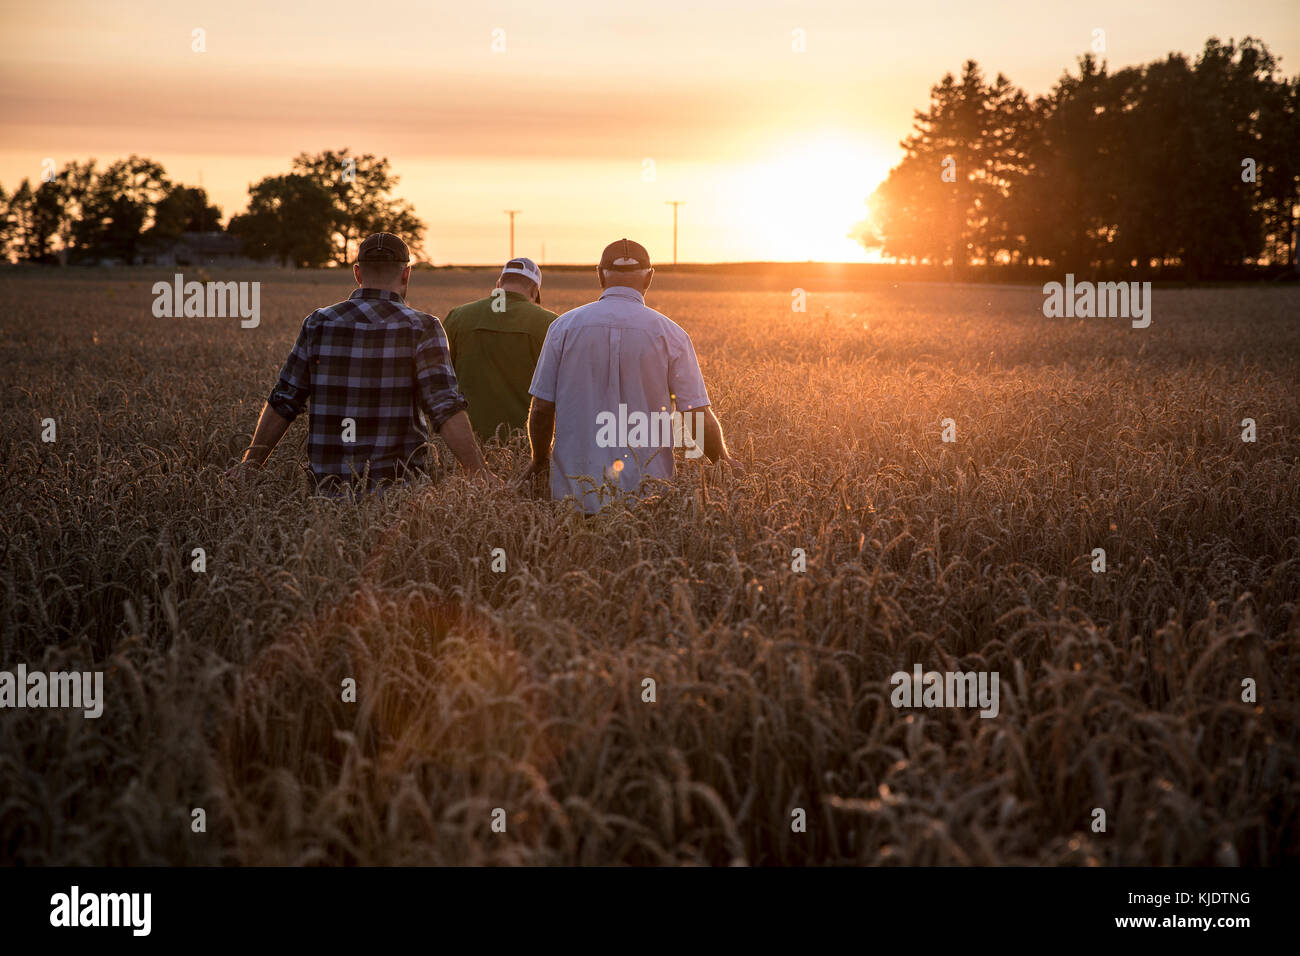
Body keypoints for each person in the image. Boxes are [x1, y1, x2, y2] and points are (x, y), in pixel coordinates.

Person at [225, 232, 487, 491]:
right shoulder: (423, 327)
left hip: (326, 494)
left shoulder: (318, 323)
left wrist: (250, 465)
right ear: (406, 274)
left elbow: (284, 400)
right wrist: (476, 470)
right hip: (399, 493)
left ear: (358, 273)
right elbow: (444, 406)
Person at [521, 238, 741, 513]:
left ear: (599, 274)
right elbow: (695, 412)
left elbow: (542, 408)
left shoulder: (562, 328)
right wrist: (722, 461)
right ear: (649, 278)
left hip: (575, 496)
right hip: (649, 496)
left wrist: (539, 460)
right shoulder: (672, 335)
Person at [443, 257, 557, 442]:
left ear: (498, 284)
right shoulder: (551, 324)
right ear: (534, 290)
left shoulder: (458, 317)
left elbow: (439, 382)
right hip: (524, 444)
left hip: (463, 445)